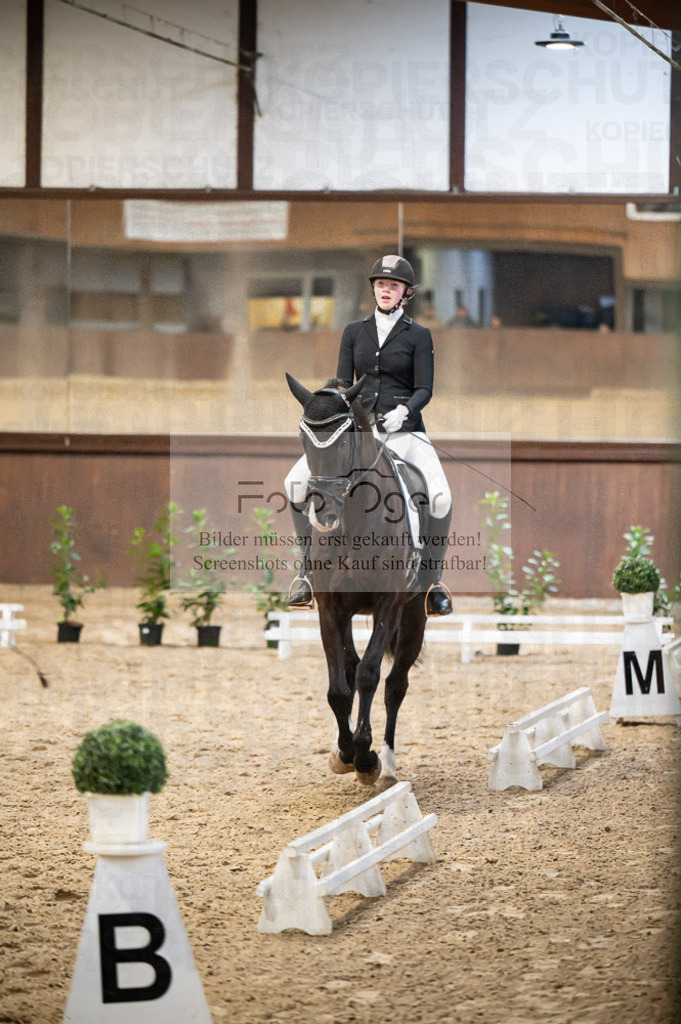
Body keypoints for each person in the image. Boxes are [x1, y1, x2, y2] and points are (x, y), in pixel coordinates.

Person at [284, 254, 453, 617]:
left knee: (440, 497)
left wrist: (403, 412)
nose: (385, 290)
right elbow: (341, 383)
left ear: (406, 292)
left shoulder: (418, 335)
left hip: (405, 432)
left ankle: (431, 584)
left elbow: (424, 388)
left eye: (393, 286)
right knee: (294, 482)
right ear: (373, 290)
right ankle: (307, 574)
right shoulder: (353, 332)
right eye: (380, 285)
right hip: (357, 435)